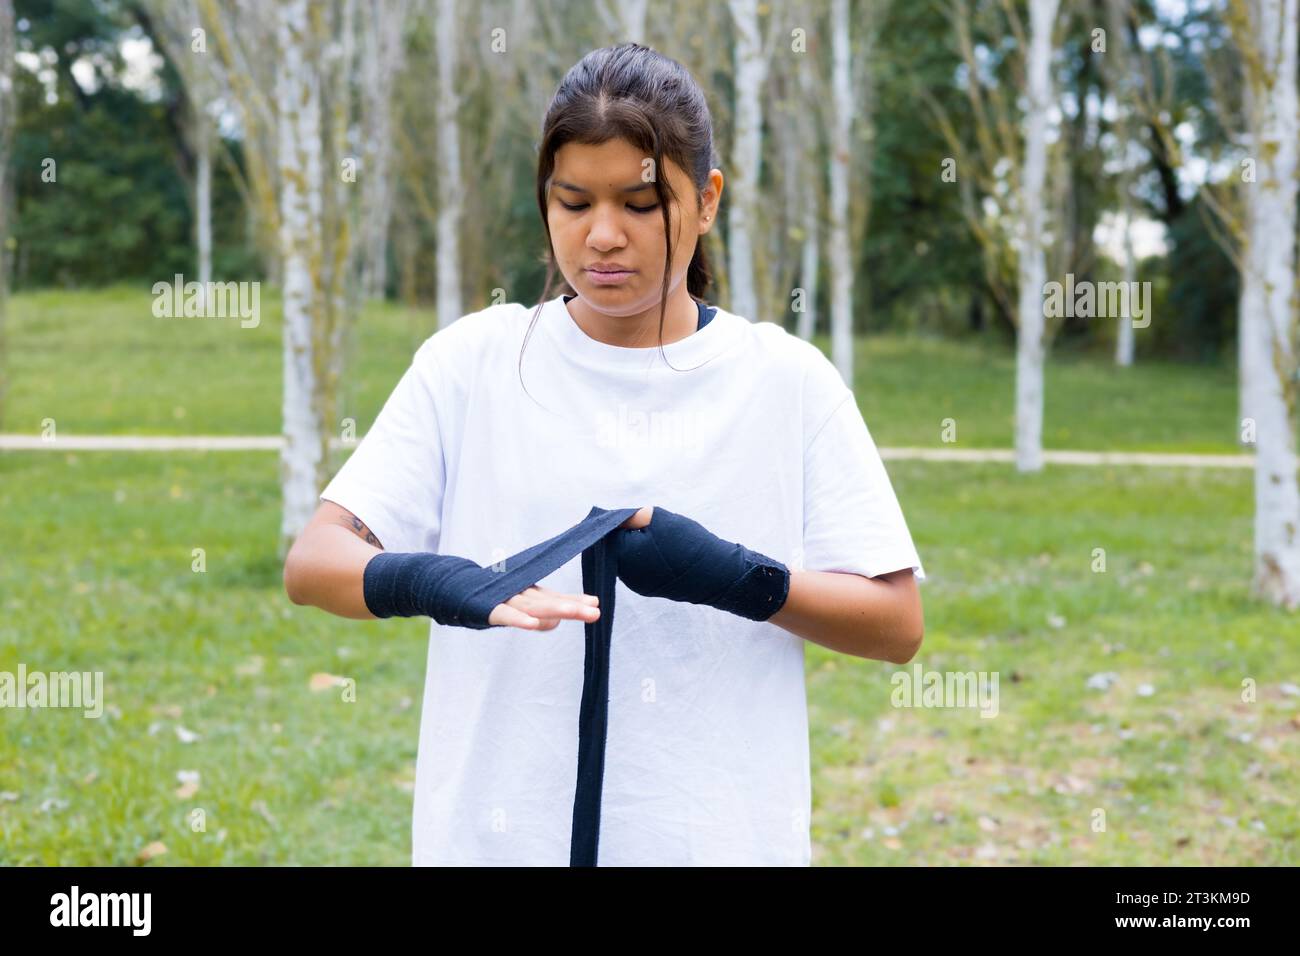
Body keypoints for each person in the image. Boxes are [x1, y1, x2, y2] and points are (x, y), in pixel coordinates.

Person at [282, 42, 926, 866]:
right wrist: (448, 583)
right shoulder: (473, 362)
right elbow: (315, 563)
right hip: (495, 839)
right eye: (574, 201)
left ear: (707, 201)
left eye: (641, 201)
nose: (604, 236)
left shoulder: (785, 381)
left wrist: (734, 577)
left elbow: (896, 624)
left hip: (716, 841)